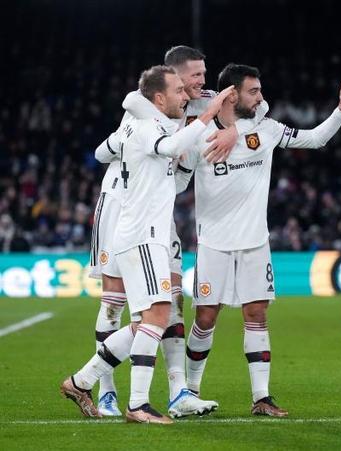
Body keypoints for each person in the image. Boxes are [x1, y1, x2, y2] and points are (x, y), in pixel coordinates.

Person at [90, 45, 268, 418]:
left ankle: (178, 393)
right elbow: (106, 149)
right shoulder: (144, 106)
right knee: (114, 303)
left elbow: (259, 107)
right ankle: (104, 390)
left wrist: (232, 130)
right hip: (122, 205)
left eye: (204, 74)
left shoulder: (200, 102)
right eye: (196, 75)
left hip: (160, 211)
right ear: (174, 76)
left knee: (170, 305)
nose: (203, 81)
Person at [173, 63, 341, 417]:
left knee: (256, 315)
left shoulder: (267, 129)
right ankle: (189, 392)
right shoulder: (201, 134)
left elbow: (315, 139)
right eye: (253, 91)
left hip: (256, 242)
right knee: (206, 318)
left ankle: (262, 398)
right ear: (231, 95)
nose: (260, 97)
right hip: (213, 243)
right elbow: (179, 183)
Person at [61, 65, 231, 424]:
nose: (184, 96)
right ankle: (135, 403)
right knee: (157, 315)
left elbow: (117, 151)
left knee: (150, 320)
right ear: (158, 98)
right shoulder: (147, 126)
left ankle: (82, 381)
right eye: (177, 91)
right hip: (142, 236)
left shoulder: (149, 125)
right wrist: (210, 114)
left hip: (142, 235)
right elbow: (169, 145)